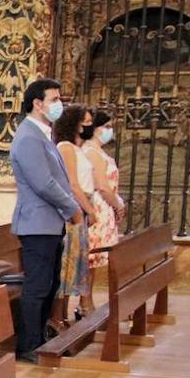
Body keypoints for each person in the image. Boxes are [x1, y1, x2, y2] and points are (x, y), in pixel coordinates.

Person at [10, 77, 82, 362]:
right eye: (54, 99)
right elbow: (44, 183)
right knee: (38, 286)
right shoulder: (28, 136)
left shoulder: (42, 134)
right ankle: (28, 345)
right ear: (37, 103)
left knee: (49, 284)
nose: (59, 104)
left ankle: (38, 338)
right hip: (37, 225)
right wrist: (72, 207)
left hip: (48, 223)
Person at [53, 105, 99, 326]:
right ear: (73, 124)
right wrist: (89, 210)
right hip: (74, 210)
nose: (89, 126)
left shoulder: (80, 149)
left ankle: (66, 315)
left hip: (83, 206)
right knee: (67, 266)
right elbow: (72, 184)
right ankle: (58, 317)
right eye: (86, 122)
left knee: (77, 265)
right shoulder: (66, 148)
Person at [83, 110, 125, 281]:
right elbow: (102, 186)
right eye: (106, 126)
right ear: (94, 128)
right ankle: (86, 302)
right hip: (98, 207)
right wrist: (118, 205)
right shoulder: (91, 152)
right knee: (91, 256)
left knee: (95, 259)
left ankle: (87, 302)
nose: (110, 130)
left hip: (105, 207)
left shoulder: (98, 151)